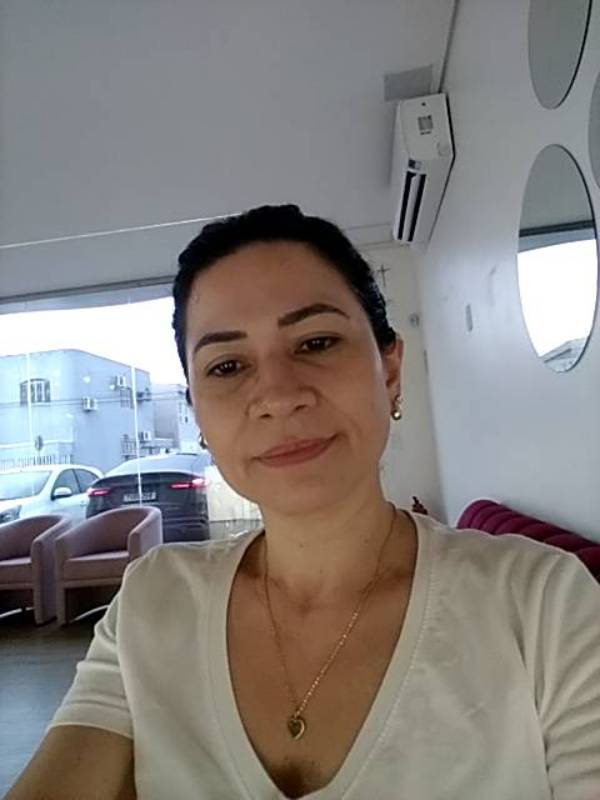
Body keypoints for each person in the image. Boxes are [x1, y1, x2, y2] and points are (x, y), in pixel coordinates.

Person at [5, 204, 600, 800]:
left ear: (390, 371)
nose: (278, 395)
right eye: (227, 365)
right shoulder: (153, 600)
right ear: (198, 415)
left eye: (316, 342)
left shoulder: (544, 604)